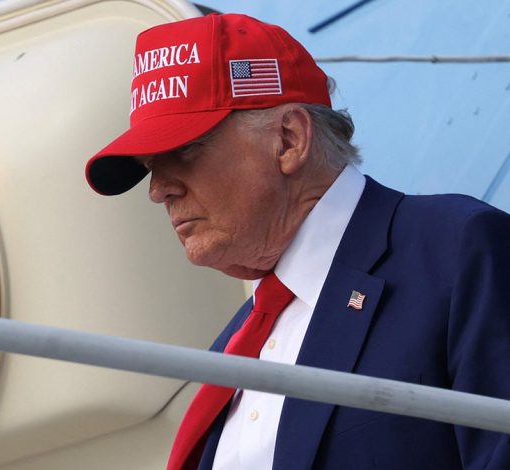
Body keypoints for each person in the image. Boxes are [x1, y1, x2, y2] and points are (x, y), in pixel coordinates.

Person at [84, 12, 510, 470]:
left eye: (184, 149)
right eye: (150, 165)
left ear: (289, 139)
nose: (157, 189)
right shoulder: (231, 346)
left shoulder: (455, 250)